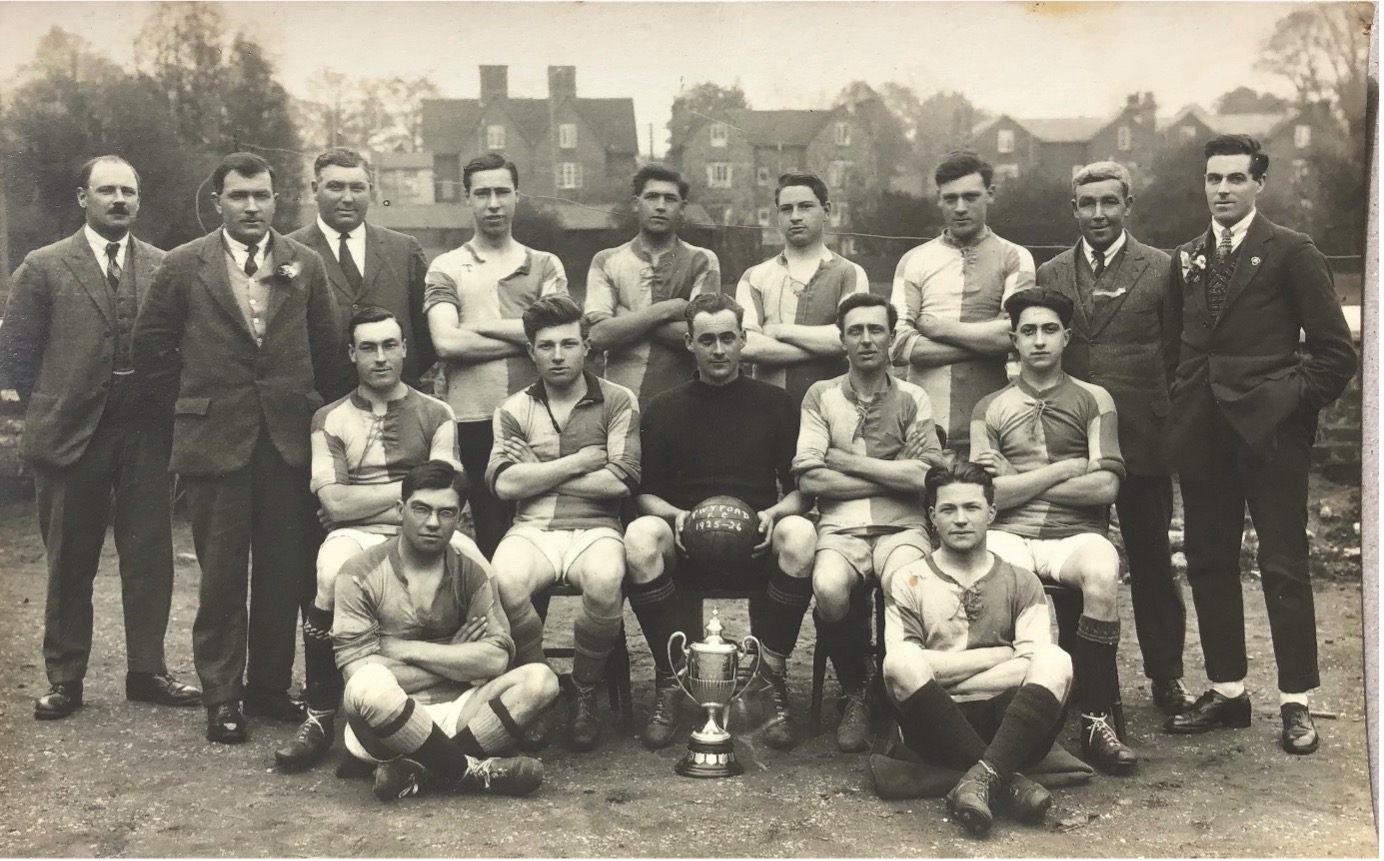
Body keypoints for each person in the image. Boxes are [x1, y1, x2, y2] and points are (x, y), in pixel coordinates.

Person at [133, 151, 345, 745]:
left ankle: (270, 689)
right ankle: (223, 698)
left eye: (261, 196)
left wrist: (319, 424)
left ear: (277, 200)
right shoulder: (182, 266)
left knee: (284, 573)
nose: (251, 207)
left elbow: (328, 353)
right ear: (218, 203)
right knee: (223, 576)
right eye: (238, 196)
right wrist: (191, 407)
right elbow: (151, 350)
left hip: (286, 444)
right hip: (214, 444)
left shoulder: (304, 264)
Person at [1163, 134, 1355, 755]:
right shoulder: (1187, 256)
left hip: (1271, 436)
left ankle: (1296, 703)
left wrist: (1287, 407)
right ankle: (1227, 691)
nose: (1222, 190)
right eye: (1214, 179)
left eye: (1235, 179)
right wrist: (1184, 400)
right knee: (1210, 561)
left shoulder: (1292, 251)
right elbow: (1178, 347)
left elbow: (1334, 355)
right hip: (1203, 432)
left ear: (1258, 184)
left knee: (1282, 566)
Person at [0, 155, 200, 720]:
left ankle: (148, 670)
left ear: (139, 200)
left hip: (144, 433)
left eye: (128, 192)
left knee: (150, 555)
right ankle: (65, 679)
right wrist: (61, 399)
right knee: (70, 559)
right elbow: (17, 354)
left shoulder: (165, 266)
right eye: (106, 190)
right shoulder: (42, 266)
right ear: (82, 198)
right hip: (71, 434)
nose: (119, 200)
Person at [624, 292, 817, 751]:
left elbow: (802, 490)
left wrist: (773, 515)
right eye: (706, 339)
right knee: (638, 537)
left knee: (802, 533)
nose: (718, 349)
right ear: (689, 343)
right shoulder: (665, 407)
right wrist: (677, 517)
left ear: (743, 340)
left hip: (755, 541)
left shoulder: (775, 404)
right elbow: (644, 493)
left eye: (727, 338)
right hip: (686, 543)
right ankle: (671, 680)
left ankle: (767, 680)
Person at [274, 307, 463, 772]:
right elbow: (335, 506)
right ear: (353, 355)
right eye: (369, 348)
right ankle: (319, 714)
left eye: (390, 345)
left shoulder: (437, 413)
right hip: (359, 533)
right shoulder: (329, 418)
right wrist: (410, 496)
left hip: (424, 529)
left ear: (404, 349)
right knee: (330, 569)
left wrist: (391, 502)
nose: (381, 358)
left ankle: (461, 700)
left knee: (480, 566)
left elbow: (445, 493)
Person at [1035, 161, 1194, 717]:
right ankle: (1081, 681)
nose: (1098, 213)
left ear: (1128, 205)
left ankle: (1167, 677)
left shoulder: (1161, 267)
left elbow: (1180, 353)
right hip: (1074, 442)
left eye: (1109, 202)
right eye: (1087, 203)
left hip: (1143, 438)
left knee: (1152, 561)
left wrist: (1166, 419)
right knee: (1077, 562)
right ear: (1073, 209)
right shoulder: (1051, 271)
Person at [969, 288, 1138, 775]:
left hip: (1074, 535)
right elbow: (990, 497)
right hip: (1010, 532)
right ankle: (1016, 720)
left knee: (1103, 572)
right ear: (1014, 341)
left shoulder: (1094, 399)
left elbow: (1105, 486)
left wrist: (1020, 481)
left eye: (1049, 330)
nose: (1039, 341)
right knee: (1001, 579)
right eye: (1028, 332)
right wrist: (1065, 469)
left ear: (1065, 337)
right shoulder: (989, 407)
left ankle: (1095, 717)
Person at [334, 460, 555, 802]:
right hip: (384, 723)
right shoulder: (358, 573)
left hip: (458, 711)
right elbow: (357, 671)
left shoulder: (470, 572)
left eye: (446, 513)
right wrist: (457, 663)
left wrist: (403, 649)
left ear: (460, 517)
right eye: (421, 509)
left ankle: (424, 770)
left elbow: (496, 658)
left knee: (541, 680)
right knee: (369, 684)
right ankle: (470, 771)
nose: (433, 522)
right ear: (399, 510)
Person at [883, 461, 1072, 838]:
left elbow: (1036, 661)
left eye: (971, 508)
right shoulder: (907, 579)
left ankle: (980, 779)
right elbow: (903, 670)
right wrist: (1002, 656)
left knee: (1057, 659)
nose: (961, 519)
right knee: (900, 661)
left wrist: (941, 672)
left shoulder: (1023, 580)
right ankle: (1007, 780)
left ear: (991, 513)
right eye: (948, 509)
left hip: (1011, 721)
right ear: (932, 516)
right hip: (938, 726)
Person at [793, 292, 945, 752]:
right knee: (829, 586)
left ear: (891, 337)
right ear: (841, 340)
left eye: (875, 329)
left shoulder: (914, 397)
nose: (865, 339)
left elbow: (926, 477)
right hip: (840, 529)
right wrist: (891, 472)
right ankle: (857, 688)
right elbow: (810, 476)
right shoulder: (821, 395)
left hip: (903, 528)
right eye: (855, 331)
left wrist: (845, 461)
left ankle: (907, 697)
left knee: (910, 584)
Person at [487, 296, 641, 752]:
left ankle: (585, 690)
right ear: (530, 351)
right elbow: (504, 487)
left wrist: (538, 471)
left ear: (587, 348)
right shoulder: (512, 408)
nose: (558, 355)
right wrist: (575, 462)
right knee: (503, 579)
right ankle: (542, 688)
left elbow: (621, 481)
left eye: (569, 344)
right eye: (546, 345)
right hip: (532, 528)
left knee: (606, 576)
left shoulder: (618, 399)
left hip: (595, 528)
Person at [424, 151, 568, 559]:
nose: (493, 203)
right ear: (467, 199)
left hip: (536, 417)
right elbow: (446, 344)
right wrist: (528, 336)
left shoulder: (544, 264)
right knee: (489, 537)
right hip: (472, 419)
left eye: (502, 192)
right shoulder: (447, 266)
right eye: (482, 193)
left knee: (536, 537)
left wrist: (471, 326)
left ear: (517, 196)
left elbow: (556, 337)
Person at [890, 151, 1035, 456]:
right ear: (938, 199)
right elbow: (900, 346)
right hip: (924, 423)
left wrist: (936, 328)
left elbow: (1014, 335)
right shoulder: (914, 260)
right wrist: (986, 341)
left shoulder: (1015, 257)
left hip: (994, 422)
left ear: (990, 194)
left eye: (970, 197)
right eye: (950, 198)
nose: (960, 208)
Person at [289, 147, 435, 396]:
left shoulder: (403, 249)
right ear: (315, 189)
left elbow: (426, 335)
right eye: (335, 187)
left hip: (396, 401)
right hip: (321, 405)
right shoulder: (289, 251)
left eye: (357, 188)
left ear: (371, 190)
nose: (347, 198)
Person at [585, 164, 721, 408]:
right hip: (620, 404)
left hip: (685, 404)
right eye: (651, 197)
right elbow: (598, 335)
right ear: (637, 203)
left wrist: (625, 319)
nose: (660, 206)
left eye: (670, 199)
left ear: (682, 208)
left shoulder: (702, 260)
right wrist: (668, 309)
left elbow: (704, 339)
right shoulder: (606, 260)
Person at [737, 172, 868, 406]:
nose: (795, 217)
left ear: (826, 211)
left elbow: (851, 339)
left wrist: (777, 331)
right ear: (778, 215)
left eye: (805, 207)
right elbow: (745, 345)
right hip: (769, 410)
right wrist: (826, 347)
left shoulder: (850, 272)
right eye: (786, 209)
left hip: (833, 410)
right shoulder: (754, 276)